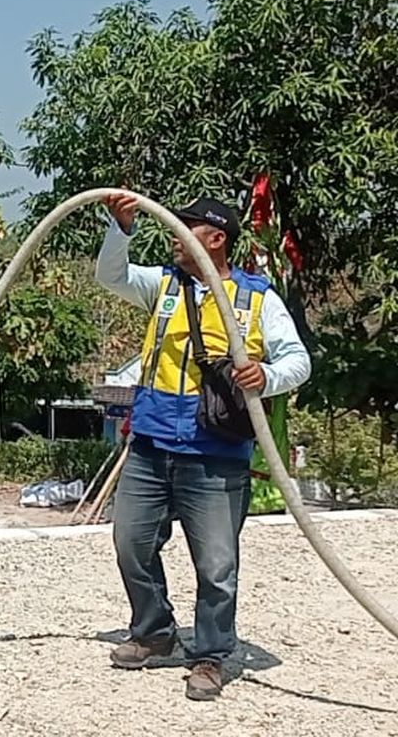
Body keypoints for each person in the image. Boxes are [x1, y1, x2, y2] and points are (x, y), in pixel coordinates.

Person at [95, 193, 311, 701]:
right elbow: (111, 276)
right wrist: (119, 229)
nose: (174, 236)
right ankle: (154, 633)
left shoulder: (257, 298)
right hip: (150, 445)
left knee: (217, 565)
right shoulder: (164, 286)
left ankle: (211, 655)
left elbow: (298, 361)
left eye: (184, 228)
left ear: (215, 239)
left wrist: (267, 375)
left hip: (214, 455)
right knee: (131, 544)